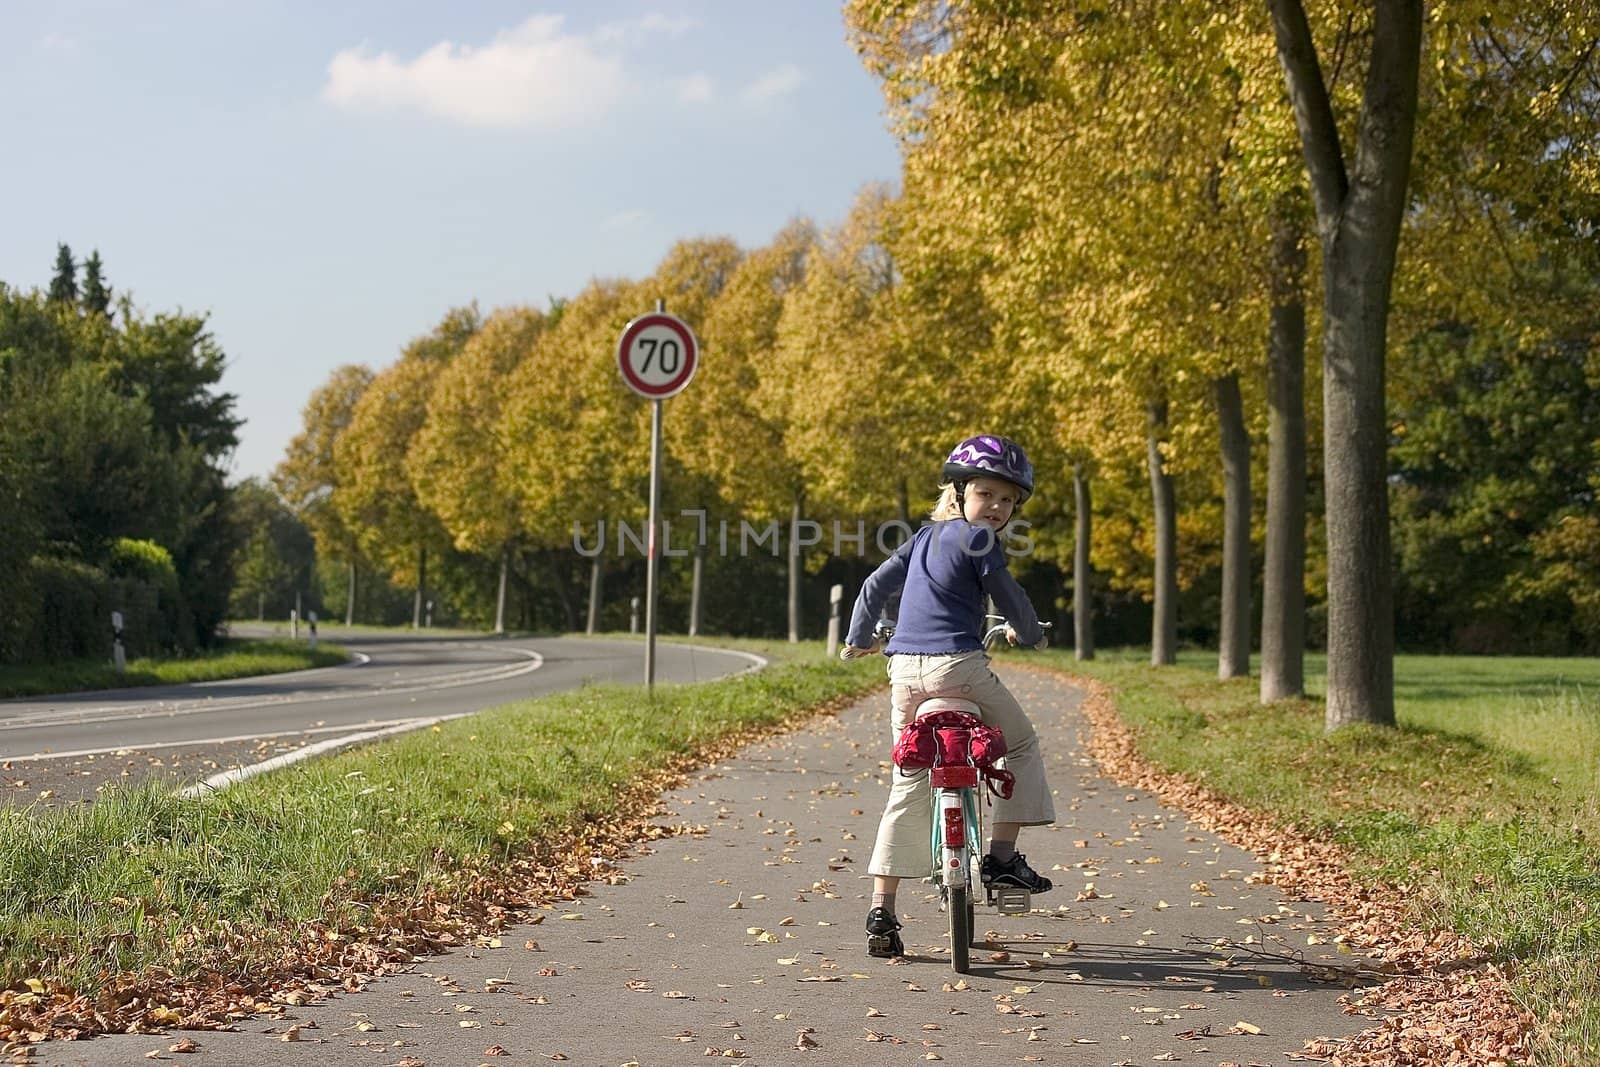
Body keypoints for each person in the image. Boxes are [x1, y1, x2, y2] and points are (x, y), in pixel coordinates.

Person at [840, 434, 1055, 959]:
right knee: (1019, 744)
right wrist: (1029, 634)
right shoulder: (981, 542)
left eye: (1008, 500)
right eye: (987, 494)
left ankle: (882, 910)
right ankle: (1002, 857)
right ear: (958, 492)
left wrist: (858, 640)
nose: (998, 508)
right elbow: (1011, 598)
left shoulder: (919, 539)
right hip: (958, 668)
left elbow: (872, 588)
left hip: (904, 676)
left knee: (907, 779)